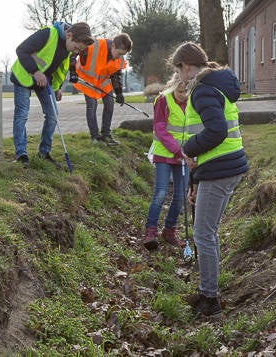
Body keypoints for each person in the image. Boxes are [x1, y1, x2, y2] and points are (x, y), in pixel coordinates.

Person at [171, 42, 248, 318]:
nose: (179, 75)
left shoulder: (202, 90)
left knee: (203, 233)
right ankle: (206, 292)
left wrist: (188, 149)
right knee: (206, 232)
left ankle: (210, 300)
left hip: (221, 169)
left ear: (188, 66)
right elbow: (210, 133)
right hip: (222, 168)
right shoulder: (214, 85)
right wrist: (194, 180)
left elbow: (216, 133)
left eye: (179, 69)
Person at [11, 22, 94, 167]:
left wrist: (57, 88)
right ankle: (21, 154)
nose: (75, 52)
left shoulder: (68, 49)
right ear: (69, 35)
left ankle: (44, 152)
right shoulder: (48, 34)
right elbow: (21, 50)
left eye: (79, 50)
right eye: (75, 47)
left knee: (52, 114)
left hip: (43, 81)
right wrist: (35, 72)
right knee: (22, 114)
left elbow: (60, 70)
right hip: (24, 75)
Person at [142, 74, 188, 251]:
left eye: (186, 91)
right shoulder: (163, 100)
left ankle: (169, 230)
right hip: (165, 154)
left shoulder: (192, 102)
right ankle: (150, 231)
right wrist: (177, 150)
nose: (183, 95)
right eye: (180, 91)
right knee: (160, 193)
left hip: (184, 155)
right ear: (173, 86)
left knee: (181, 195)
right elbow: (160, 129)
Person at [72, 33, 132, 145]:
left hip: (102, 81)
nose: (119, 57)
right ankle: (95, 137)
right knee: (92, 106)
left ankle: (106, 135)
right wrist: (72, 71)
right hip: (87, 79)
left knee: (109, 104)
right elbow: (74, 51)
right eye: (119, 53)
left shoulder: (119, 58)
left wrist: (119, 93)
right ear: (113, 46)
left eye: (122, 55)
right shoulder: (94, 45)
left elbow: (115, 75)